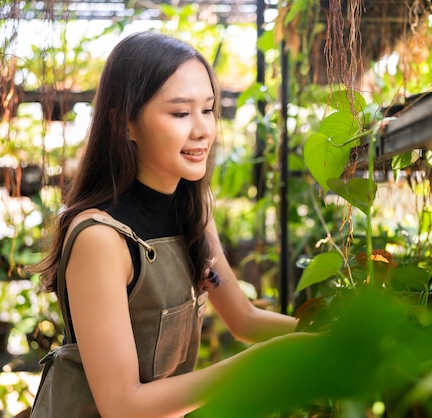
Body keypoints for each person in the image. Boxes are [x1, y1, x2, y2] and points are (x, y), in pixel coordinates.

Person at [32, 31, 298, 417]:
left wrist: (325, 334)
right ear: (125, 124)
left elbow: (245, 320)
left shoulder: (193, 213)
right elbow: (122, 406)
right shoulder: (101, 238)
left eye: (208, 109)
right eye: (179, 113)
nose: (203, 129)